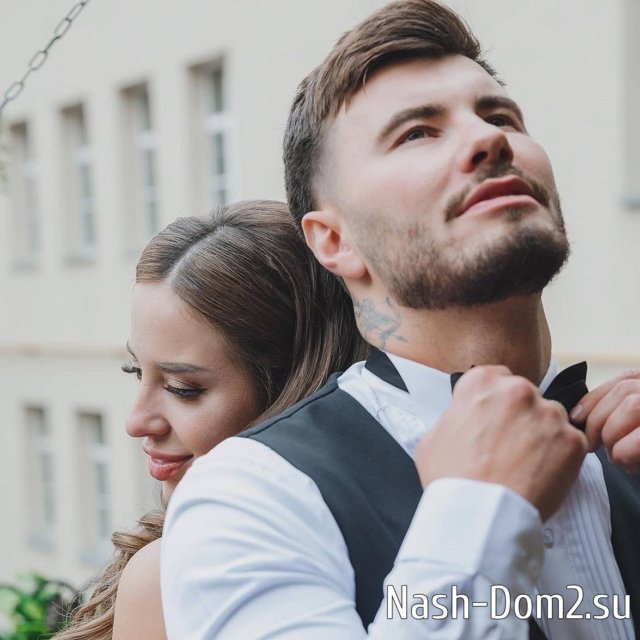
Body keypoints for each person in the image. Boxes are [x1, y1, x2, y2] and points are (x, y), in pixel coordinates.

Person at [162, 2, 640, 638]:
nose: (489, 139)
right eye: (417, 132)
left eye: (500, 116)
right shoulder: (250, 498)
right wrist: (480, 512)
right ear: (334, 241)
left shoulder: (624, 448)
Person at [54, 200, 368, 640]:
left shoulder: (169, 572)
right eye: (135, 371)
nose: (136, 421)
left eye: (183, 388)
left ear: (291, 386)